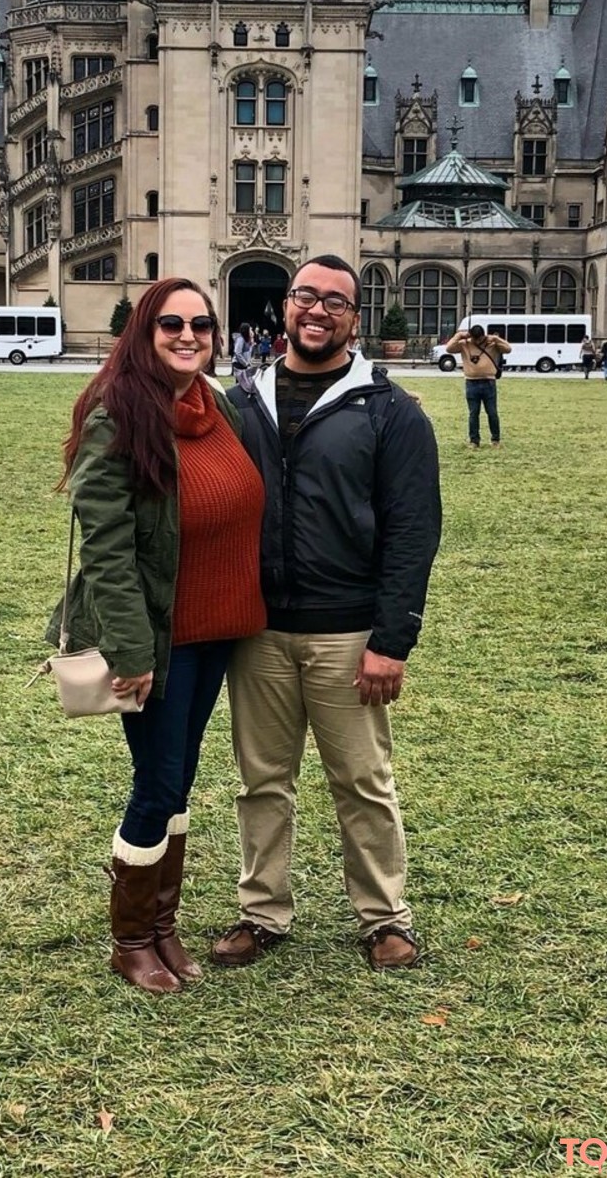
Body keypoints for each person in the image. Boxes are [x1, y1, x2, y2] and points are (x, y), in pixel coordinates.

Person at [215, 254, 442, 972]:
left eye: (335, 302)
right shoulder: (241, 401)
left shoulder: (390, 411)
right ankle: (262, 911)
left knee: (363, 782)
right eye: (305, 296)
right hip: (258, 631)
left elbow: (413, 532)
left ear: (354, 318)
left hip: (347, 632)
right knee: (261, 782)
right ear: (285, 307)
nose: (317, 310)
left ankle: (384, 918)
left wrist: (391, 641)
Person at [46, 277, 266, 995]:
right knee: (158, 783)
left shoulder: (215, 404)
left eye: (201, 324)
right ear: (144, 332)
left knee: (179, 778)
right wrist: (132, 652)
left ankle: (163, 927)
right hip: (157, 638)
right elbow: (106, 549)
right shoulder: (118, 414)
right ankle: (131, 939)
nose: (188, 335)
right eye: (171, 324)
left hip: (215, 631)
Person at [444, 322, 513, 447]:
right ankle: (474, 440)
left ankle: (495, 439)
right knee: (473, 413)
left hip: (488, 381)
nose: (477, 341)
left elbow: (508, 349)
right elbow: (449, 348)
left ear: (483, 336)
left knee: (492, 412)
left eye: (479, 339)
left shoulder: (492, 344)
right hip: (471, 382)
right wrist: (459, 335)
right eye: (474, 339)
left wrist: (496, 339)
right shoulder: (464, 344)